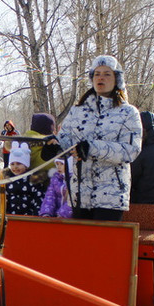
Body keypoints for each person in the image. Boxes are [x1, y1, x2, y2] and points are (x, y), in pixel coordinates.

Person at [53, 55, 142, 221]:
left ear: (117, 79)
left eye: (107, 74)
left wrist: (92, 148)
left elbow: (131, 150)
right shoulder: (77, 111)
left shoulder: (128, 113)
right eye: (97, 74)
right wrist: (56, 147)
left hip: (111, 196)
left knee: (103, 244)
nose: (101, 77)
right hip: (80, 192)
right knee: (81, 244)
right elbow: (65, 139)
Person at [5, 147, 44, 216]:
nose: (15, 167)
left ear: (26, 165)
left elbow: (38, 199)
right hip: (11, 216)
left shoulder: (33, 180)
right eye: (12, 164)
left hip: (28, 216)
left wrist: (37, 215)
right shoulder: (7, 180)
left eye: (19, 164)